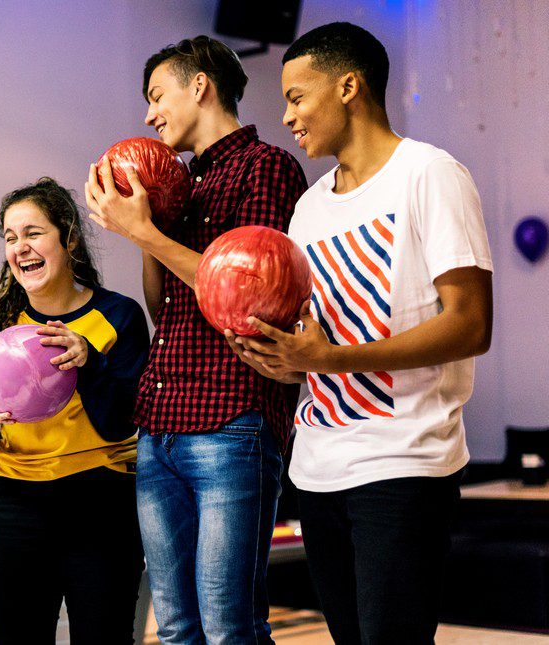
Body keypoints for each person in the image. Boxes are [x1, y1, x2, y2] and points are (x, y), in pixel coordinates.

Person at [225, 22, 495, 644]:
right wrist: (283, 361)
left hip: (405, 460)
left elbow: (470, 323)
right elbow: (313, 347)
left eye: (297, 96)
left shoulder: (430, 173)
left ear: (349, 86)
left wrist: (331, 357)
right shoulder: (309, 206)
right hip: (318, 466)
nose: (287, 116)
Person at [85, 36, 307, 643]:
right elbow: (164, 308)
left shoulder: (267, 166)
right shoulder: (181, 182)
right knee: (177, 628)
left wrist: (147, 235)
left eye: (157, 96)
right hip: (160, 424)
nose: (150, 115)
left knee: (229, 628)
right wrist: (146, 225)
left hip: (231, 420)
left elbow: (245, 294)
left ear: (200, 86)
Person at [0, 178, 148, 644]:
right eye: (10, 237)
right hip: (16, 511)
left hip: (102, 508)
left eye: (33, 232)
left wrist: (90, 363)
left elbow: (126, 419)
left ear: (70, 237)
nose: (21, 247)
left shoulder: (118, 316)